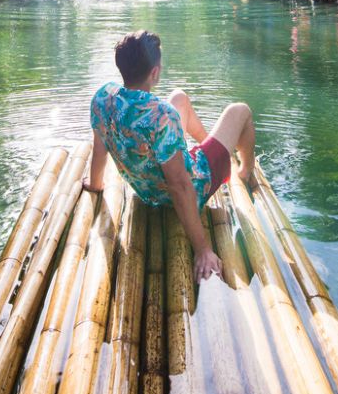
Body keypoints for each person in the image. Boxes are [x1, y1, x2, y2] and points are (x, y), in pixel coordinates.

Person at [85, 30, 257, 282]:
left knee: (179, 97)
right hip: (189, 187)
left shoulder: (103, 98)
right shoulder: (162, 116)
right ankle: (244, 170)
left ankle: (212, 145)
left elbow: (99, 146)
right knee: (240, 110)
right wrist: (203, 250)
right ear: (154, 73)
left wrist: (95, 184)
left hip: (146, 189)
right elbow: (180, 187)